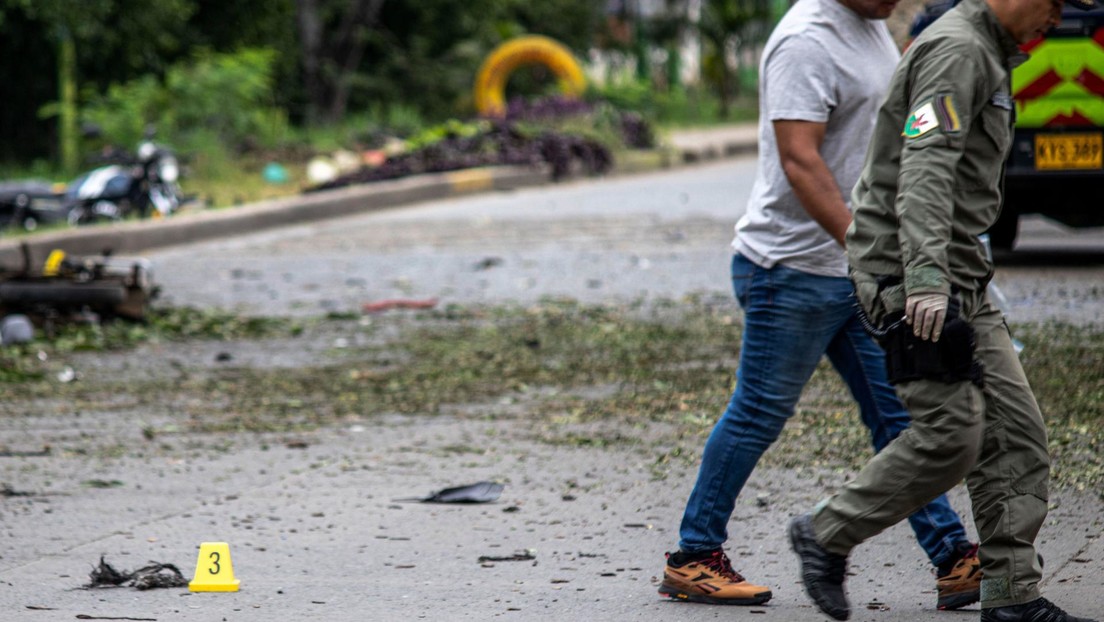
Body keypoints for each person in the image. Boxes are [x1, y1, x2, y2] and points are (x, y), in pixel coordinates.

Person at [657, 0, 982, 611]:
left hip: (849, 272)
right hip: (792, 271)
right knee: (758, 412)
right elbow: (799, 160)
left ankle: (952, 557)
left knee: (899, 419)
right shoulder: (805, 40)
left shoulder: (868, 28)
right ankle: (693, 556)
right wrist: (874, 256)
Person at [787, 0, 1101, 620]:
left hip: (960, 278)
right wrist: (927, 281)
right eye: (1054, 3)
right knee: (953, 436)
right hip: (912, 277)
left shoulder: (989, 50)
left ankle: (1011, 597)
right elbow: (925, 168)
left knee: (1016, 438)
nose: (1057, 17)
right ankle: (826, 532)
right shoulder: (958, 49)